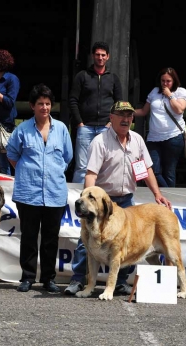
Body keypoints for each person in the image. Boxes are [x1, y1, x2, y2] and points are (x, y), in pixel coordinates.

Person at [65, 101, 172, 296]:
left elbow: (146, 169)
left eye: (129, 116)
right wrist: (89, 201)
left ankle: (120, 283)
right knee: (87, 241)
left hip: (127, 200)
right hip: (103, 202)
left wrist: (158, 194)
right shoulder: (100, 141)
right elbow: (91, 173)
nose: (125, 119)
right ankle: (78, 280)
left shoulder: (138, 140)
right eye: (121, 115)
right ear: (111, 118)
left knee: (126, 243)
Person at [6, 84, 73, 293]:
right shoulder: (22, 129)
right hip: (28, 192)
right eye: (40, 104)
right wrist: (27, 171)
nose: (44, 107)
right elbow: (12, 154)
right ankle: (27, 277)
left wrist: (54, 171)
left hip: (55, 192)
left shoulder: (61, 128)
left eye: (47, 104)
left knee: (51, 238)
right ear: (32, 106)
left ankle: (48, 279)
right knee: (28, 236)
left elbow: (68, 157)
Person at [69, 41, 122, 184]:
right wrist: (80, 123)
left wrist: (111, 123)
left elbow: (119, 103)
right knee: (82, 167)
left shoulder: (113, 78)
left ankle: (104, 196)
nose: (100, 57)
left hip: (106, 128)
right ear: (93, 56)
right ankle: (77, 200)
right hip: (85, 127)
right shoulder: (82, 76)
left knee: (106, 165)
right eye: (97, 54)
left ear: (108, 57)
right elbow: (73, 100)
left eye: (103, 55)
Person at [133, 67, 186, 187]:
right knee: (152, 170)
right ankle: (165, 195)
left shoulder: (181, 92)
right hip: (154, 137)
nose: (165, 84)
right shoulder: (154, 91)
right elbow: (143, 111)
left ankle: (170, 201)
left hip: (173, 136)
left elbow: (179, 110)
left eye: (168, 81)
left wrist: (169, 95)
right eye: (163, 81)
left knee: (169, 171)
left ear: (174, 81)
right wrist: (126, 112)